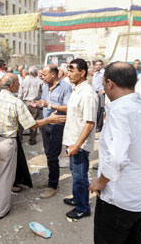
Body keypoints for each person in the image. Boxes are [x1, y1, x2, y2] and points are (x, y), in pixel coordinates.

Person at [89, 62, 141, 244]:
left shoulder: (120, 111)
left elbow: (117, 159)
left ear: (109, 83)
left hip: (119, 200)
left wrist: (99, 182)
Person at [0, 73, 65, 219]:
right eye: (17, 83)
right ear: (11, 86)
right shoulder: (16, 102)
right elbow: (31, 125)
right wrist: (50, 119)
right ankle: (1, 211)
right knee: (5, 177)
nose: (19, 85)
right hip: (7, 142)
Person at [62, 59, 97, 220]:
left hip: (79, 144)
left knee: (80, 177)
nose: (69, 74)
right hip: (72, 141)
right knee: (75, 174)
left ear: (82, 72)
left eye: (72, 70)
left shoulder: (88, 94)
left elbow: (90, 123)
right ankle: (77, 199)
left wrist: (77, 144)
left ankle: (83, 207)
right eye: (68, 70)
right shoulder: (76, 90)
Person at [35, 64, 72, 199]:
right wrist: (39, 104)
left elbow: (68, 108)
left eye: (44, 75)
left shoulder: (65, 87)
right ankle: (52, 179)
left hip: (57, 125)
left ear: (53, 74)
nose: (42, 77)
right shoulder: (45, 86)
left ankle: (53, 186)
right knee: (48, 154)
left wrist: (48, 105)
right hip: (45, 123)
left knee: (53, 156)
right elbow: (44, 103)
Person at [18, 66, 43, 145]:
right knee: (34, 121)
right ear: (35, 72)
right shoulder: (39, 81)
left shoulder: (24, 80)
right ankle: (32, 139)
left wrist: (19, 101)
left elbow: (20, 93)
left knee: (22, 121)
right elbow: (42, 93)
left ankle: (20, 138)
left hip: (25, 102)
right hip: (34, 103)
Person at [92, 60, 105, 132]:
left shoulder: (104, 73)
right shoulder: (94, 73)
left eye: (99, 65)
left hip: (101, 93)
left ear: (102, 65)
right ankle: (95, 125)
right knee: (95, 109)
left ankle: (99, 127)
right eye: (97, 65)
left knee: (100, 109)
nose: (98, 66)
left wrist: (104, 90)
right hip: (94, 92)